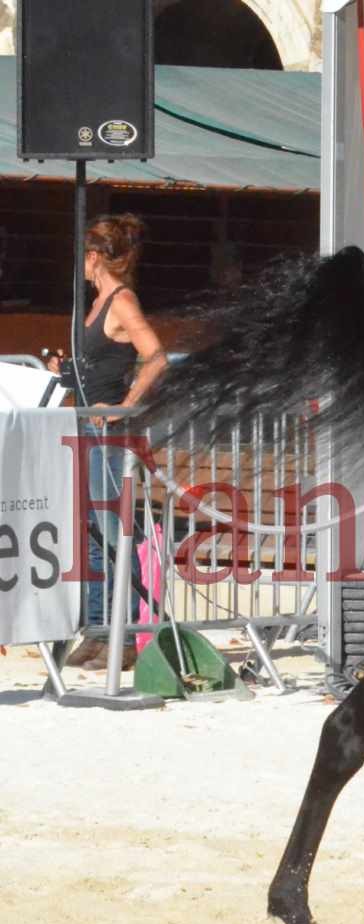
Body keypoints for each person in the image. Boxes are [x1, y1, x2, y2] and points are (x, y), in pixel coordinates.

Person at [61, 214, 167, 671]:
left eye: (85, 255)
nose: (81, 265)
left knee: (112, 530)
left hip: (108, 430)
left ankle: (125, 631)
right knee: (92, 532)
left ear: (96, 257)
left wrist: (124, 405)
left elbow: (157, 356)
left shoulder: (122, 302)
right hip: (86, 426)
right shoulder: (97, 301)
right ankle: (101, 625)